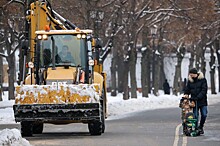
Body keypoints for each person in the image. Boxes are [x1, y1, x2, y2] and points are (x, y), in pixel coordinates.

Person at [184, 68, 208, 135]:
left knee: (204, 114)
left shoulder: (202, 80)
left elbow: (204, 90)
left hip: (202, 100)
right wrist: (186, 94)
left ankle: (201, 126)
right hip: (194, 101)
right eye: (190, 75)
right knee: (195, 115)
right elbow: (187, 89)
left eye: (192, 74)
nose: (191, 76)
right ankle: (196, 128)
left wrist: (198, 97)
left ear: (195, 74)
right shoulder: (190, 80)